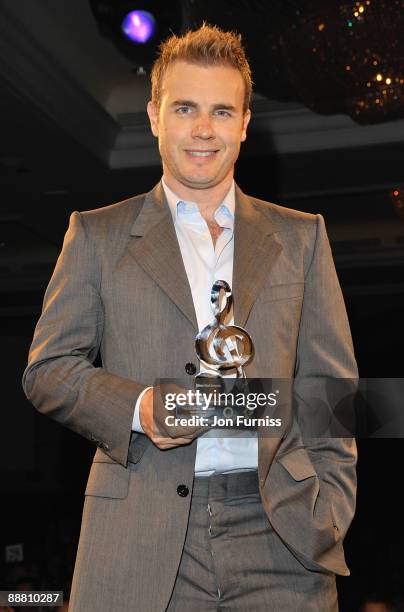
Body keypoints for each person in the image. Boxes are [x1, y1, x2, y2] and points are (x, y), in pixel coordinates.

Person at [23, 24, 358, 611]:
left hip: (282, 532)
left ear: (245, 124)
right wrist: (138, 406)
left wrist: (329, 508)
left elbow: (334, 394)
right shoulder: (97, 235)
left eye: (222, 112)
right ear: (155, 116)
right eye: (186, 108)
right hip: (142, 534)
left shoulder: (302, 238)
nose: (204, 129)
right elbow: (46, 370)